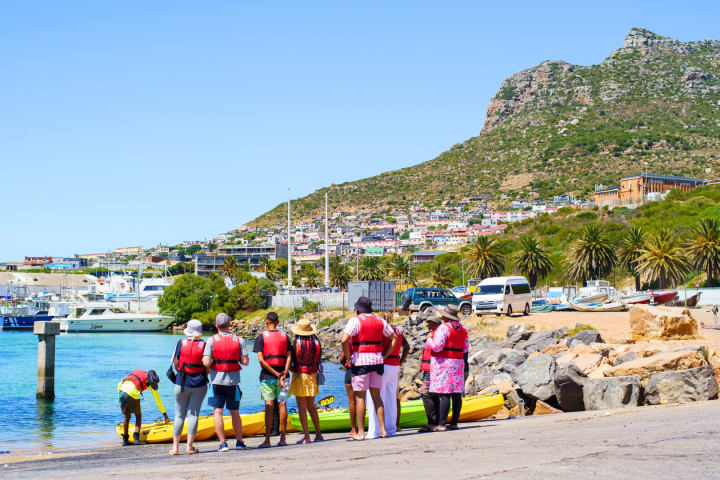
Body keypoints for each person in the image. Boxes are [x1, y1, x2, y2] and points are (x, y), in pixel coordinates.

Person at [340, 296, 397, 441]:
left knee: (360, 397)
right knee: (377, 397)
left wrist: (348, 358)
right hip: (377, 361)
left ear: (359, 309)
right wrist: (385, 355)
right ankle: (383, 430)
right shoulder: (380, 320)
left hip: (361, 362)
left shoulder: (355, 320)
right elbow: (394, 338)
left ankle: (360, 433)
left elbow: (344, 340)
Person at [202, 312, 250, 452]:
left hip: (216, 382)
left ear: (216, 326)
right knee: (235, 412)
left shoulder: (211, 340)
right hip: (233, 382)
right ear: (230, 324)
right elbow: (245, 362)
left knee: (218, 412)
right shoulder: (239, 340)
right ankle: (239, 442)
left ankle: (223, 443)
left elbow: (206, 362)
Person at [252, 312, 292, 448]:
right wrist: (284, 373)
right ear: (278, 322)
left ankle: (267, 440)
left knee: (269, 407)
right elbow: (289, 358)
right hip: (284, 377)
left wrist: (276, 373)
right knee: (282, 405)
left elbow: (261, 360)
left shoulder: (261, 337)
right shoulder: (285, 336)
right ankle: (283, 439)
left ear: (266, 322)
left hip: (268, 377)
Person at [426, 305, 469, 432]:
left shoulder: (444, 327)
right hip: (457, 362)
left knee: (445, 392)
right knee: (456, 393)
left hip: (444, 363)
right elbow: (465, 348)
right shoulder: (463, 329)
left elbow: (437, 347)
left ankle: (442, 424)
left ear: (445, 316)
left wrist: (429, 340)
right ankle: (454, 423)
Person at [367, 313, 409, 438]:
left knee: (375, 398)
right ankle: (391, 429)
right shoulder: (399, 332)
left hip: (382, 365)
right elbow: (407, 347)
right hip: (394, 366)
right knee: (391, 400)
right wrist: (400, 361)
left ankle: (374, 431)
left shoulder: (382, 331)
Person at [170, 319, 208, 455]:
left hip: (181, 383)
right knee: (194, 415)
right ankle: (189, 447)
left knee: (179, 416)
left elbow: (175, 364)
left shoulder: (180, 343)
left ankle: (175, 448)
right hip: (199, 384)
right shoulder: (205, 344)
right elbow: (207, 365)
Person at [289, 319, 324, 444]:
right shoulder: (316, 341)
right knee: (311, 406)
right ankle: (318, 434)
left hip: (300, 375)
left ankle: (307, 436)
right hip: (313, 374)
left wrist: (290, 370)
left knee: (302, 408)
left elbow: (292, 360)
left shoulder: (297, 343)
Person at [118, 369, 170, 446]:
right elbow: (159, 401)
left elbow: (119, 384)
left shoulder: (140, 372)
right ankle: (136, 439)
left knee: (127, 416)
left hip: (121, 392)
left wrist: (120, 401)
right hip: (131, 393)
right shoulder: (150, 384)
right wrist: (165, 416)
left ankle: (125, 440)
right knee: (138, 415)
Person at [418, 310, 442, 433]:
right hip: (428, 370)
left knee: (425, 393)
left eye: (433, 325)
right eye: (429, 325)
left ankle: (432, 423)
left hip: (432, 370)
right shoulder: (431, 337)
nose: (430, 328)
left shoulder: (436, 337)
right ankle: (436, 422)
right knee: (433, 394)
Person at [338, 337, 358, 437]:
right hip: (363, 369)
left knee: (352, 402)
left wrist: (346, 364)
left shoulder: (349, 341)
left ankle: (354, 429)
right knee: (361, 400)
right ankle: (362, 427)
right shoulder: (363, 339)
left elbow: (342, 358)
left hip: (351, 370)